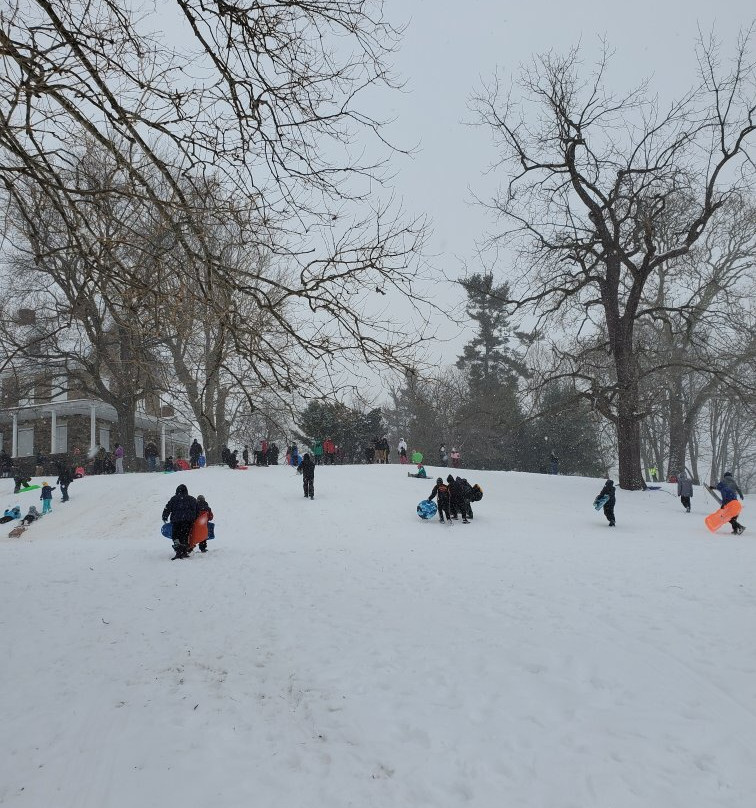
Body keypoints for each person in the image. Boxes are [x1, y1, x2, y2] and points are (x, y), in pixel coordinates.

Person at [162, 483, 199, 559]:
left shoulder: (174, 499)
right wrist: (194, 518)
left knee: (175, 536)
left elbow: (167, 508)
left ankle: (179, 550)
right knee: (185, 536)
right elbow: (197, 510)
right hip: (187, 521)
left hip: (176, 521)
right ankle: (184, 551)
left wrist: (165, 516)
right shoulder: (192, 499)